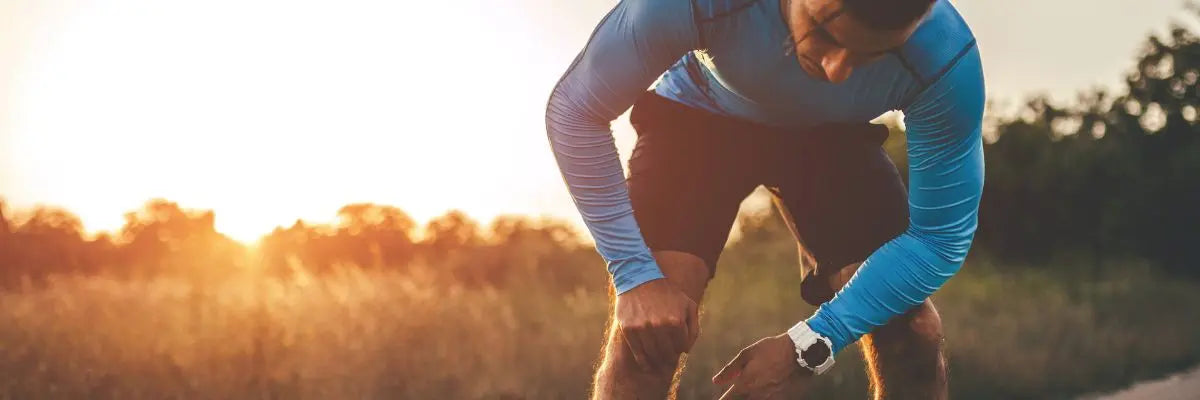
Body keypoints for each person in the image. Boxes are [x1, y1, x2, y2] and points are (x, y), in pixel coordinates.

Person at [545, 0, 983, 397]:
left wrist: (810, 344)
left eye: (874, 53)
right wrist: (635, 276)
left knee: (914, 332)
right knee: (646, 340)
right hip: (700, 118)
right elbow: (575, 112)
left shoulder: (944, 58)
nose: (836, 71)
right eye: (826, 35)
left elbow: (939, 239)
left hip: (830, 137)